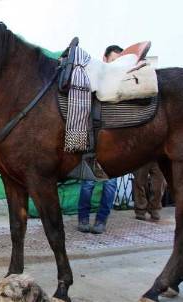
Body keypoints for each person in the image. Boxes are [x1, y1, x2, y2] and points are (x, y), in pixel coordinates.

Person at [77, 45, 122, 235]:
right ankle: (83, 219)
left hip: (114, 147)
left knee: (110, 185)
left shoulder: (121, 82)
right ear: (105, 58)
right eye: (113, 60)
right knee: (88, 184)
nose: (115, 65)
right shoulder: (95, 77)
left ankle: (102, 220)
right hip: (93, 144)